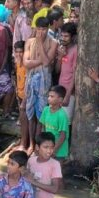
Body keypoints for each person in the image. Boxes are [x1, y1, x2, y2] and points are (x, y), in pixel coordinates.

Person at [24, 17, 57, 149]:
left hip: (44, 83)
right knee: (30, 114)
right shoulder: (29, 42)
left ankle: (38, 145)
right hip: (31, 82)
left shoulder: (53, 42)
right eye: (38, 29)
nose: (41, 32)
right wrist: (40, 61)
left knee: (41, 115)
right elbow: (26, 63)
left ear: (48, 29)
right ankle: (31, 144)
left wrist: (40, 44)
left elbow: (47, 62)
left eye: (43, 29)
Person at [37, 86, 70, 160]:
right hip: (48, 147)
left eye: (52, 96)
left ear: (60, 100)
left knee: (57, 168)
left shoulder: (62, 115)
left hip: (59, 149)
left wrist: (54, 151)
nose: (48, 98)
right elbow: (43, 126)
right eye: (48, 96)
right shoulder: (46, 110)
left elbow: (62, 136)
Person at [55, 22, 78, 122]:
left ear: (73, 37)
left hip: (70, 92)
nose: (63, 38)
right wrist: (60, 57)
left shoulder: (75, 50)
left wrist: (68, 95)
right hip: (61, 89)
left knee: (66, 121)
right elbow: (57, 70)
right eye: (62, 35)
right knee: (59, 121)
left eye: (66, 36)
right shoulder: (62, 48)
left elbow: (75, 74)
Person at [13, 41, 29, 150]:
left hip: (26, 97)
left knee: (26, 120)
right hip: (20, 94)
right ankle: (23, 142)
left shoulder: (27, 65)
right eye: (17, 52)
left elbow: (28, 82)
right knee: (23, 119)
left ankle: (24, 143)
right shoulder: (17, 63)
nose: (19, 54)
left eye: (21, 52)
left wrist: (24, 99)